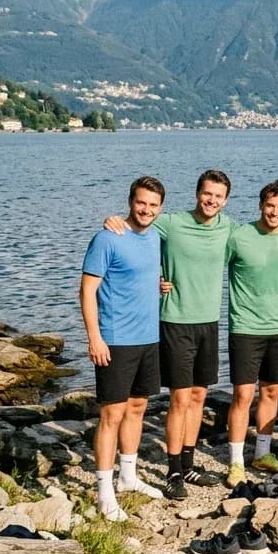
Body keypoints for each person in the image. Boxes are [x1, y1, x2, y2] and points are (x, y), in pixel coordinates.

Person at [107, 170, 232, 492]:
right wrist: (115, 220)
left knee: (199, 396)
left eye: (218, 196)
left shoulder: (227, 228)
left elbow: (262, 233)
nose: (212, 200)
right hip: (175, 322)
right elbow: (139, 229)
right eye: (207, 194)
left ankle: (189, 465)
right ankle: (173, 470)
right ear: (197, 193)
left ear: (226, 200)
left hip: (209, 322)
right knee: (179, 398)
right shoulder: (172, 223)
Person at [81, 176, 167, 521]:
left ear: (160, 208)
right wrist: (94, 337)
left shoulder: (155, 239)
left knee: (137, 408)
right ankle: (104, 492)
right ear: (131, 201)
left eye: (153, 205)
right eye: (141, 202)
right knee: (111, 415)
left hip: (148, 337)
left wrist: (157, 286)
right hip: (115, 339)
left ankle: (128, 477)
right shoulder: (107, 238)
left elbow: (137, 277)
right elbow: (87, 292)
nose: (146, 210)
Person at [222, 181, 278, 494]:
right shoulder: (239, 236)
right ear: (260, 205)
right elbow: (208, 265)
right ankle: (236, 462)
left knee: (272, 392)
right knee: (242, 395)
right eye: (270, 206)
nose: (275, 212)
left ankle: (262, 455)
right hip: (245, 328)